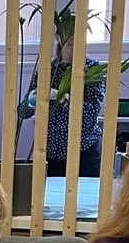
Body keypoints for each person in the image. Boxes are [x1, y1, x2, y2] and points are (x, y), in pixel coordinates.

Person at [19, 29, 105, 177]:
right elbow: (23, 111)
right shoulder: (47, 70)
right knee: (49, 198)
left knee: (85, 196)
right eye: (68, 31)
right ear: (58, 37)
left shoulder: (92, 70)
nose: (73, 38)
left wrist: (67, 99)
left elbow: (91, 114)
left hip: (83, 149)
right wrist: (32, 99)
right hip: (51, 151)